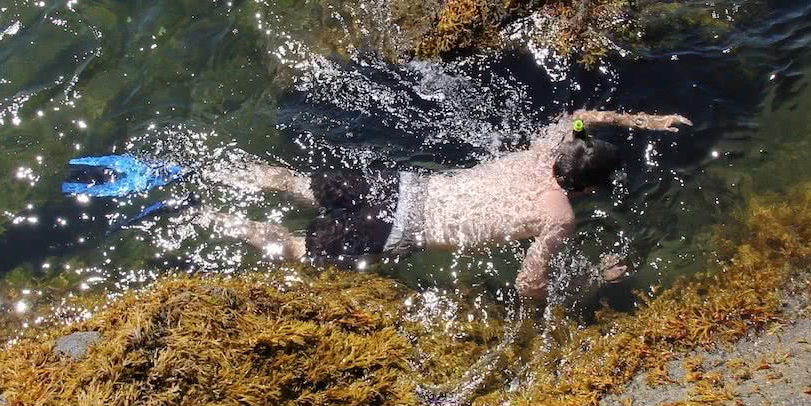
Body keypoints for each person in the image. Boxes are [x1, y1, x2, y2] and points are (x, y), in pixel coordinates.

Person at [199, 110, 691, 300]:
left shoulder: (550, 148)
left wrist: (643, 121)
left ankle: (211, 172)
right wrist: (591, 281)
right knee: (295, 249)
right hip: (395, 232)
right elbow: (527, 284)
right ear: (586, 190)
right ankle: (217, 221)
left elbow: (580, 117)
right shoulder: (558, 214)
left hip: (397, 187)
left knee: (295, 183)